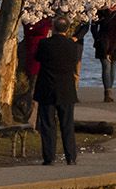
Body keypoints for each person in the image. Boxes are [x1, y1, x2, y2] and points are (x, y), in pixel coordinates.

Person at [34, 18, 82, 165]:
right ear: (67, 30)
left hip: (47, 88)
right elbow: (74, 61)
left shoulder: (44, 44)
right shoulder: (73, 46)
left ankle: (49, 157)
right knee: (67, 124)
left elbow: (38, 58)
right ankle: (71, 157)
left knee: (48, 124)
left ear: (53, 28)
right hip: (66, 89)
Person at [92, 2, 115, 103]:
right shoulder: (100, 11)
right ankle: (107, 92)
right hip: (103, 43)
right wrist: (98, 39)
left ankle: (109, 88)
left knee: (113, 69)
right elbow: (93, 27)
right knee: (106, 66)